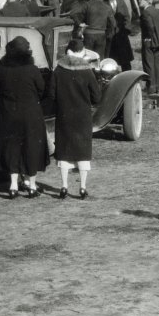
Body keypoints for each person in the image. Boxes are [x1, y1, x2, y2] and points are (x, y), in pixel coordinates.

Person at [0, 36, 49, 198]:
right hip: (31, 115)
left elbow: (0, 90)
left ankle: (12, 186)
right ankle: (31, 186)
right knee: (31, 148)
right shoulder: (32, 70)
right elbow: (41, 90)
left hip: (9, 114)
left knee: (12, 148)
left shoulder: (2, 70)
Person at [46, 39, 101, 200]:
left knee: (64, 152)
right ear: (81, 52)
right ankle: (82, 188)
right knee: (83, 153)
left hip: (64, 116)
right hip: (82, 117)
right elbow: (97, 97)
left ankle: (64, 186)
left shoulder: (58, 70)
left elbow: (51, 94)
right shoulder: (87, 71)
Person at [138, 0, 159, 95]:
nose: (139, 1)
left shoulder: (145, 13)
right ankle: (158, 86)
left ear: (148, 1)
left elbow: (150, 27)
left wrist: (149, 38)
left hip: (148, 41)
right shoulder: (158, 11)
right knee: (157, 64)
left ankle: (150, 87)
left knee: (148, 64)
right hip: (158, 42)